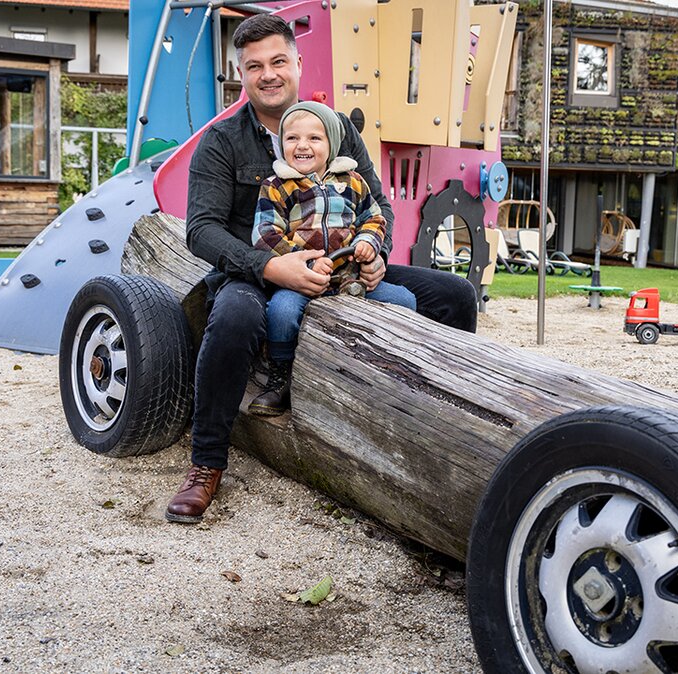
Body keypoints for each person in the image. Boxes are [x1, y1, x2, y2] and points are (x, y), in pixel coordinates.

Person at [166, 14, 477, 523]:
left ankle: (448, 423)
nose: (268, 74)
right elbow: (201, 230)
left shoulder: (338, 131)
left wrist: (375, 254)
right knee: (235, 318)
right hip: (255, 273)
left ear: (297, 63)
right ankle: (206, 463)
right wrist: (270, 267)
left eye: (278, 61)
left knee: (455, 295)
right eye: (254, 66)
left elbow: (378, 203)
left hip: (343, 266)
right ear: (239, 73)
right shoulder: (222, 142)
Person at [248, 101, 416, 417]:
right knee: (282, 312)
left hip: (349, 277)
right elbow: (265, 233)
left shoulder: (352, 182)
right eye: (292, 138)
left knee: (405, 301)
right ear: (282, 144)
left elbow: (374, 216)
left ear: (332, 144)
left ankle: (389, 373)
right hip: (300, 281)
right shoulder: (277, 186)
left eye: (314, 138)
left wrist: (369, 243)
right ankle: (280, 377)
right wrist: (301, 261)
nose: (302, 146)